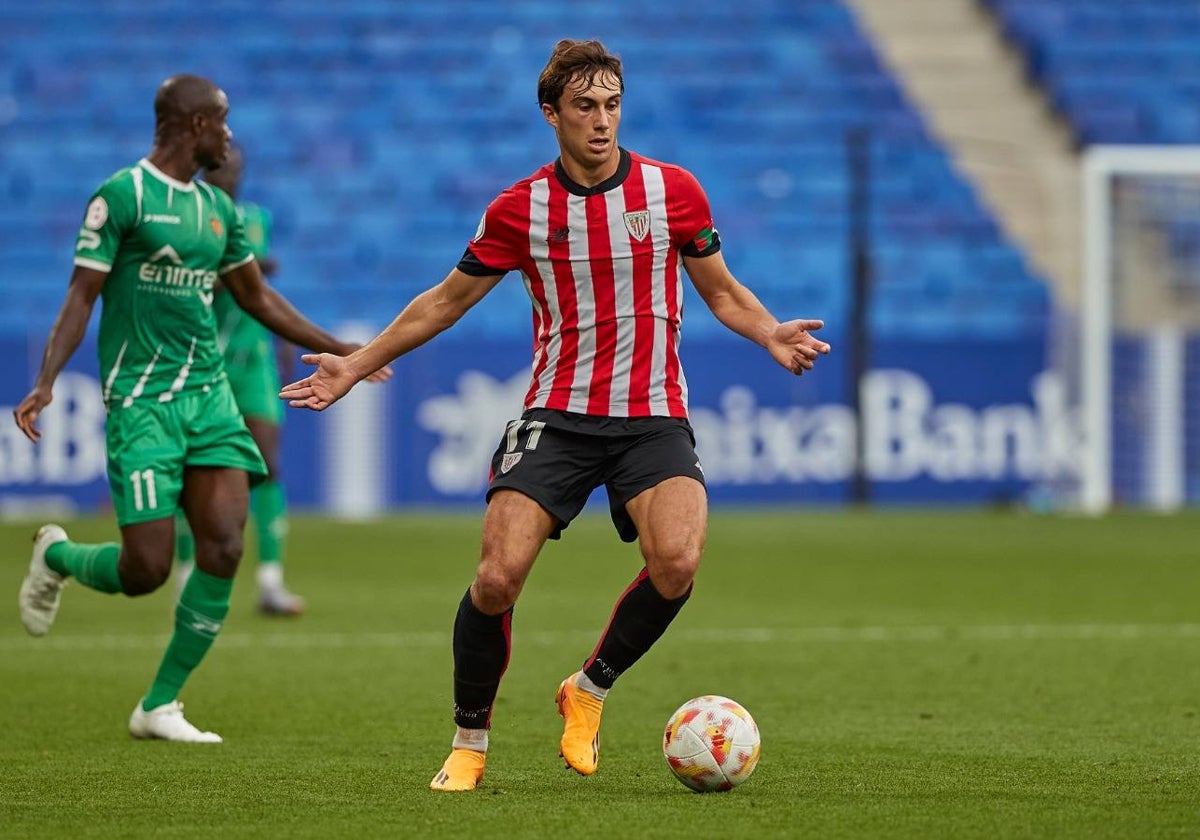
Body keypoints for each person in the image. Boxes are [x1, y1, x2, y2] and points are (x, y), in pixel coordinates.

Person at [280, 39, 829, 790]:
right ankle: (469, 745)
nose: (601, 122)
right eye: (584, 107)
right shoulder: (521, 210)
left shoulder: (673, 193)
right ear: (552, 115)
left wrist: (768, 330)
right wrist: (354, 364)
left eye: (611, 105)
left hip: (652, 416)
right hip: (558, 415)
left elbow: (724, 292)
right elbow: (445, 302)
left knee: (677, 561)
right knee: (497, 578)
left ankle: (589, 689)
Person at [14, 74, 388, 743]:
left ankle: (160, 704)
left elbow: (257, 299)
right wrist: (46, 380)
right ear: (192, 125)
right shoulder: (123, 196)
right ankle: (61, 556)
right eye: (222, 122)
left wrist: (342, 350)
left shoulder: (221, 213)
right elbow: (80, 295)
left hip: (208, 396)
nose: (229, 136)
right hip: (143, 402)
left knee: (222, 544)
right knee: (147, 570)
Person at [174, 144, 304, 617]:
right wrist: (242, 269)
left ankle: (271, 580)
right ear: (206, 171)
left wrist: (283, 339)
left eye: (237, 167)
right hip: (205, 359)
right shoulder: (188, 217)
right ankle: (186, 574)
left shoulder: (256, 218)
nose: (230, 173)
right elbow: (198, 283)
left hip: (253, 361)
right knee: (195, 469)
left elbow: (260, 292)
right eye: (222, 166)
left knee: (267, 463)